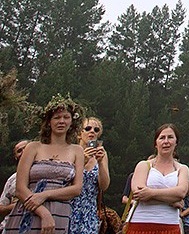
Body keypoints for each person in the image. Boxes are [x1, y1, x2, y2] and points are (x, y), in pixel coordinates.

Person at [5, 95, 85, 234]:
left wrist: (45, 195)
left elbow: (76, 189)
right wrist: (43, 212)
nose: (61, 121)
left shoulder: (77, 151)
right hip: (29, 210)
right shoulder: (33, 147)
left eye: (66, 117)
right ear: (48, 122)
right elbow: (20, 188)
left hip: (59, 213)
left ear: (72, 122)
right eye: (56, 118)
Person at [126, 124, 189, 234]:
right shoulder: (143, 165)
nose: (166, 141)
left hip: (170, 225)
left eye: (170, 137)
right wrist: (172, 199)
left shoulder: (182, 169)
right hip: (140, 223)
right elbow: (138, 194)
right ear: (156, 143)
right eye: (162, 138)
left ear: (176, 142)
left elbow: (181, 192)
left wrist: (150, 193)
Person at [69, 117, 111, 234]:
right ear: (79, 134)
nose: (92, 131)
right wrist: (83, 161)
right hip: (70, 207)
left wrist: (101, 163)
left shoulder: (101, 154)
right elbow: (67, 179)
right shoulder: (72, 152)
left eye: (96, 130)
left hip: (89, 210)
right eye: (88, 128)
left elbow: (104, 186)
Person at [0, 140, 30, 229]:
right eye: (19, 151)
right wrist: (20, 204)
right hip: (10, 227)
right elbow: (1, 208)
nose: (23, 152)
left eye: (26, 148)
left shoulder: (46, 174)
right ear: (16, 157)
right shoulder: (12, 179)